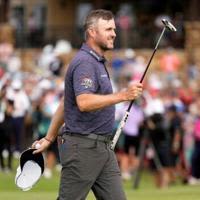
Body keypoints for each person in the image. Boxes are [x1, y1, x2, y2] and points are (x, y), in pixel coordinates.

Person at [32, 9, 143, 200]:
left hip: (103, 149)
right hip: (83, 149)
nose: (114, 33)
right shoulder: (85, 62)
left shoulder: (97, 62)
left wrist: (49, 138)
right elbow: (83, 102)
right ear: (92, 32)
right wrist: (123, 95)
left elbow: (65, 103)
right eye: (108, 29)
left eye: (114, 29)